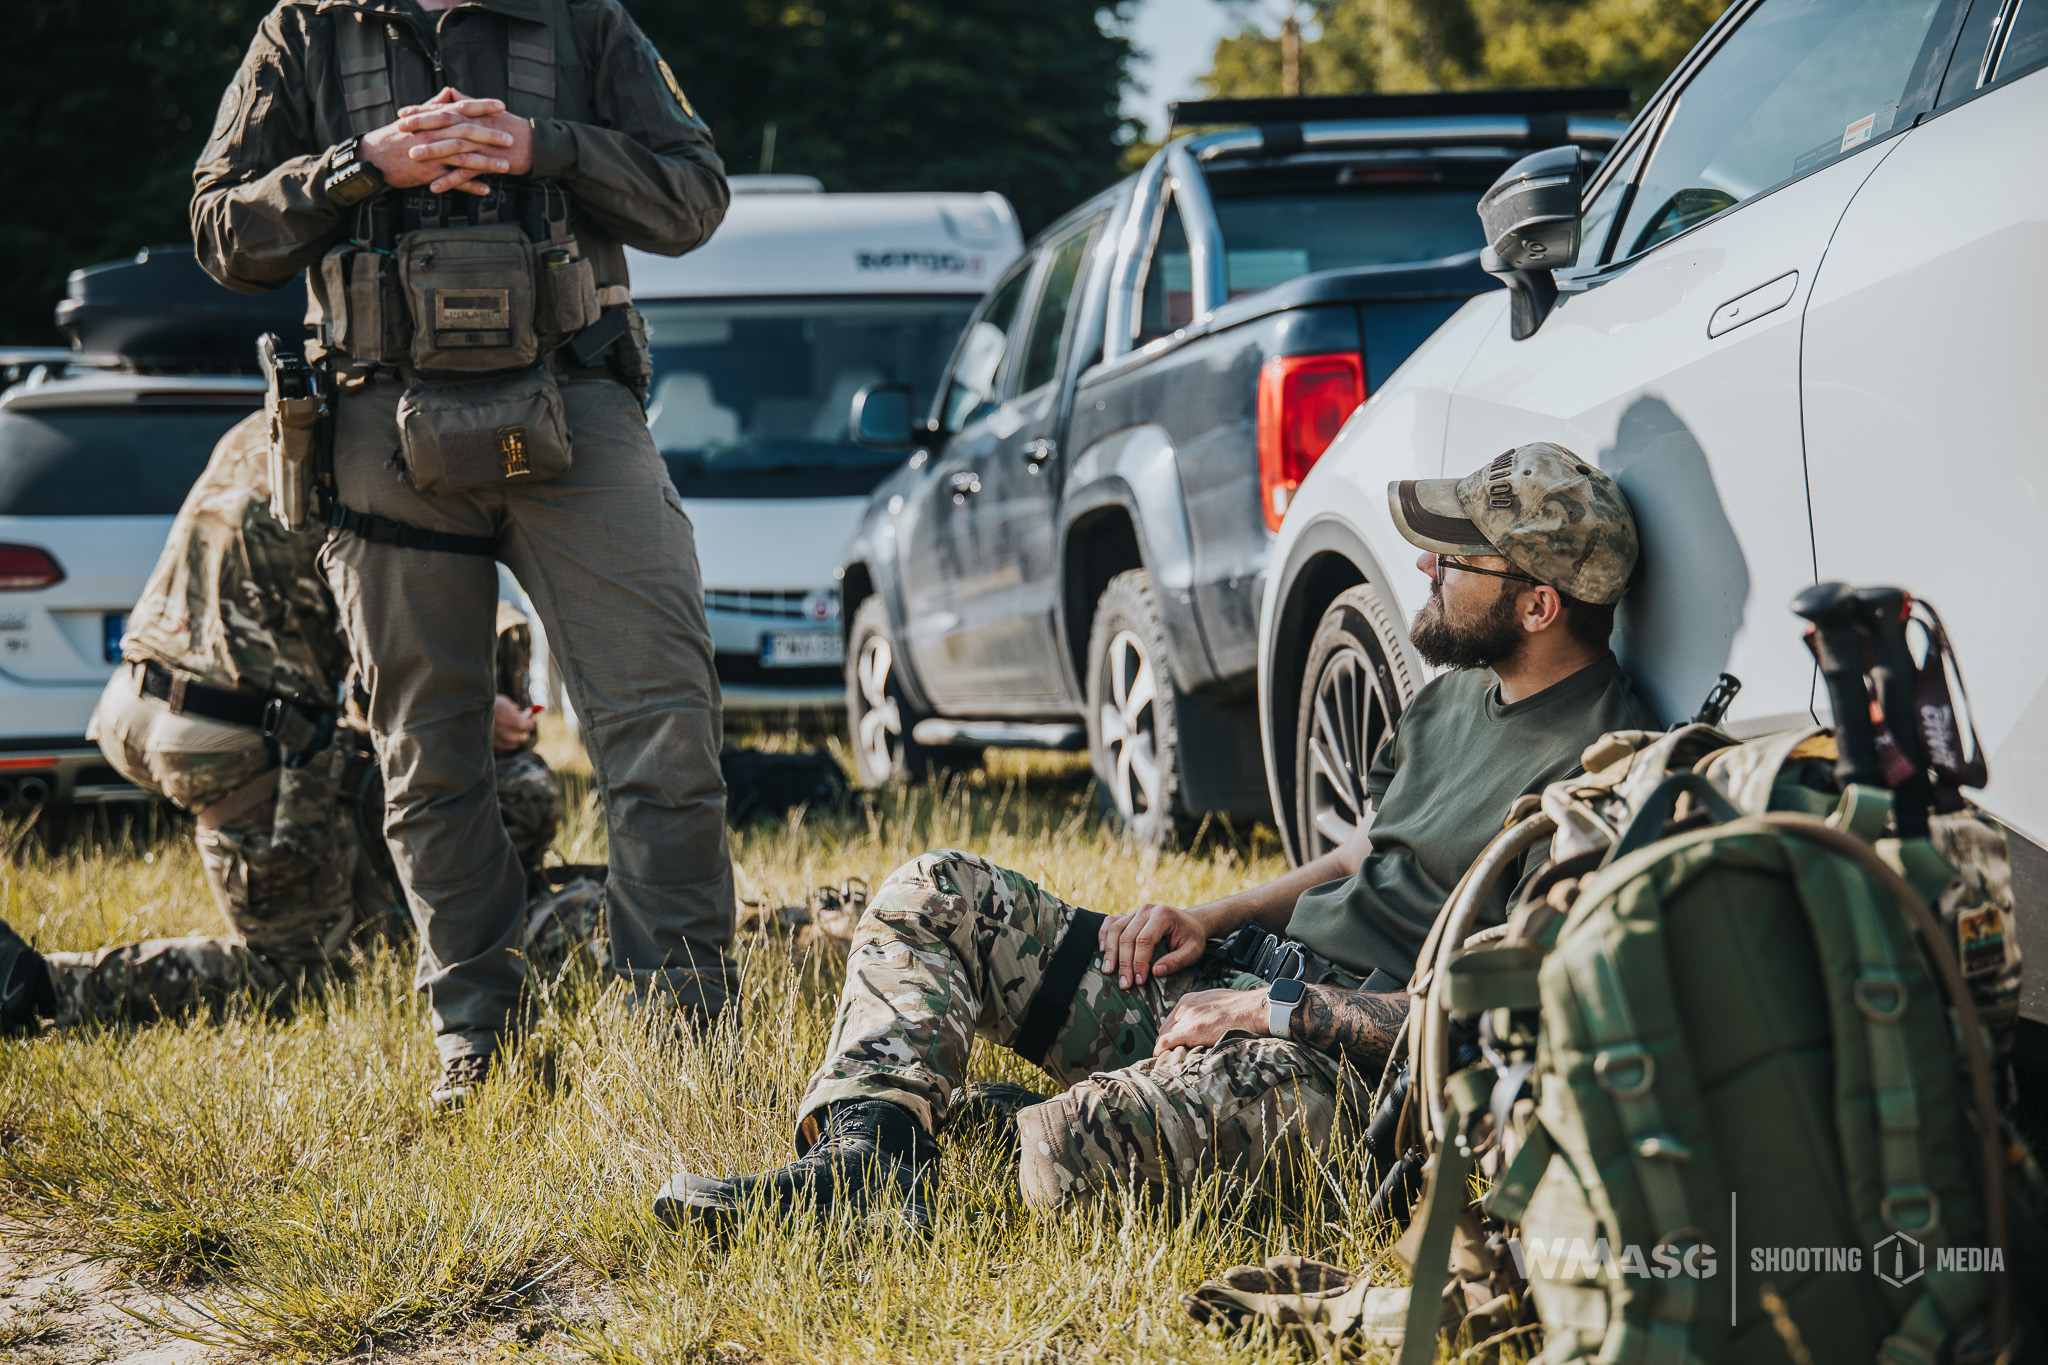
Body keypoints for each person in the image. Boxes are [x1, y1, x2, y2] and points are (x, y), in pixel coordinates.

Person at [656, 445, 1660, 1225]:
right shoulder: (1451, 703)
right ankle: (867, 1166)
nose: (1424, 565)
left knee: (1070, 1146)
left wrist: (1271, 1011)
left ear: (1536, 603)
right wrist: (1206, 916)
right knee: (935, 890)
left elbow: (1500, 1022)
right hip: (1254, 974)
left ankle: (986, 1122)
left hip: (1346, 1064)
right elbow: (1364, 855)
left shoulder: (1605, 772)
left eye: (1457, 557)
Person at [188, 0, 738, 1101]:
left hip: (576, 413)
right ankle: (477, 1039)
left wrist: (549, 147)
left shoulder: (584, 22)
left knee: (662, 726)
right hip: (373, 417)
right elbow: (220, 232)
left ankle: (683, 1037)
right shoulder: (302, 32)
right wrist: (359, 166)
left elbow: (693, 198)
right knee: (428, 756)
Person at [0, 415, 581, 1041]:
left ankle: (370, 915)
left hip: (136, 698)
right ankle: (35, 986)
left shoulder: (274, 425)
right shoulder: (380, 461)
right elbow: (384, 669)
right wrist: (471, 706)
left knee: (342, 884)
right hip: (226, 737)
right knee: (301, 971)